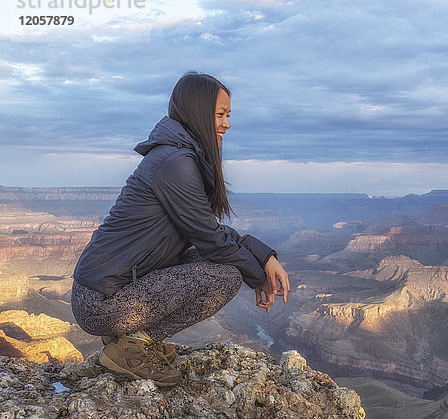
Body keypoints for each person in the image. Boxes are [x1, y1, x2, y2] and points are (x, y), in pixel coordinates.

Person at [70, 72, 291, 387]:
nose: (227, 123)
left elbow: (209, 230)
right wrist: (258, 279)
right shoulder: (176, 162)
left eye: (228, 115)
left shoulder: (180, 156)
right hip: (102, 302)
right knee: (226, 276)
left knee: (221, 265)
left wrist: (263, 256)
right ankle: (132, 348)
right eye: (220, 114)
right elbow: (213, 242)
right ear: (198, 112)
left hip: (113, 289)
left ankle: (134, 340)